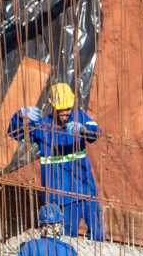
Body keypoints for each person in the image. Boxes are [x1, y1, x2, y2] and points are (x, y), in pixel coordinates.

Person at [7, 81, 105, 240]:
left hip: (86, 188)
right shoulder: (41, 125)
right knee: (67, 237)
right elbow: (16, 134)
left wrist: (82, 129)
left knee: (98, 234)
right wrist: (19, 115)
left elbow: (96, 134)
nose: (66, 112)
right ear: (53, 106)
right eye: (61, 109)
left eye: (68, 108)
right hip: (61, 194)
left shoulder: (80, 117)